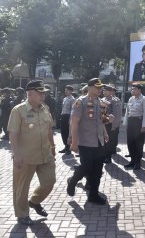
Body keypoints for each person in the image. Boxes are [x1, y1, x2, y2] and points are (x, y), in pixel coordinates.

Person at [8, 80, 56, 226]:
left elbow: (49, 129)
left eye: (44, 93)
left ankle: (34, 201)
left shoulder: (45, 108)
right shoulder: (18, 110)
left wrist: (53, 147)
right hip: (26, 156)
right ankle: (22, 214)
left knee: (50, 181)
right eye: (40, 93)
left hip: (45, 154)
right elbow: (13, 134)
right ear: (30, 93)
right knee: (21, 187)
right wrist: (16, 154)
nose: (43, 95)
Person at [66, 78, 109, 205]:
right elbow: (74, 123)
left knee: (97, 169)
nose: (100, 89)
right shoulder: (81, 102)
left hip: (99, 141)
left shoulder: (101, 103)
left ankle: (93, 195)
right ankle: (73, 181)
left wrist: (105, 133)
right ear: (89, 87)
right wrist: (74, 142)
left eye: (101, 87)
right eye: (97, 87)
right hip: (85, 141)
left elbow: (101, 121)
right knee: (86, 166)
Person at [123, 83, 145, 170]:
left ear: (139, 90)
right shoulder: (131, 99)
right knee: (130, 142)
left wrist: (144, 126)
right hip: (131, 122)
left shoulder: (144, 99)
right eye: (132, 89)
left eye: (134, 89)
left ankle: (138, 162)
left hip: (139, 122)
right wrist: (126, 123)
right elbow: (127, 112)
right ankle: (132, 161)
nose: (132, 90)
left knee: (138, 143)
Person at [102, 85, 122, 163]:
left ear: (110, 92)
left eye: (105, 90)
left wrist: (114, 126)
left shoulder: (115, 100)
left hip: (110, 124)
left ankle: (108, 157)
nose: (103, 91)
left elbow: (117, 114)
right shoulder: (103, 99)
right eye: (103, 90)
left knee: (109, 142)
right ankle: (104, 155)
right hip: (103, 124)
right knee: (103, 141)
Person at [59, 85, 75, 155]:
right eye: (65, 90)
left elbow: (73, 110)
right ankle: (65, 146)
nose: (66, 91)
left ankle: (69, 148)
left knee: (68, 132)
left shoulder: (72, 99)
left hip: (68, 116)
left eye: (67, 90)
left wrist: (70, 119)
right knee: (63, 132)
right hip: (63, 116)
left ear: (71, 91)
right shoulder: (65, 99)